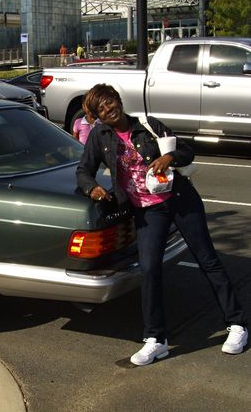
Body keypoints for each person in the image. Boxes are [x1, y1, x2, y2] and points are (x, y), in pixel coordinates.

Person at [76, 84, 248, 366]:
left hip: (180, 199)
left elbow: (186, 150)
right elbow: (84, 170)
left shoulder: (146, 124)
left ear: (118, 100)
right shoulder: (99, 136)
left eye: (110, 102)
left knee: (208, 260)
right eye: (102, 109)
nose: (109, 109)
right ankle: (156, 340)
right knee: (150, 269)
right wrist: (92, 188)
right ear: (98, 117)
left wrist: (170, 156)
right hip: (147, 211)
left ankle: (237, 323)